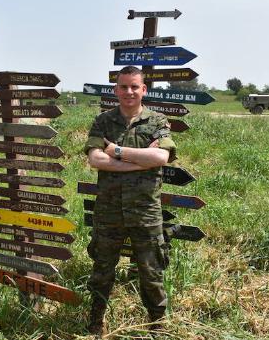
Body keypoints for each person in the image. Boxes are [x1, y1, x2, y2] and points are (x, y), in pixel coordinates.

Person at [83, 65, 177, 335]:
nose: (129, 91)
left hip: (145, 212)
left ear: (143, 89)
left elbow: (161, 158)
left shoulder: (157, 121)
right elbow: (95, 159)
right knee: (102, 272)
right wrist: (139, 161)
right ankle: (95, 323)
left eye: (135, 86)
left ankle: (157, 326)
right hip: (108, 212)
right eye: (123, 86)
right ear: (116, 90)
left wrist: (118, 152)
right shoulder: (103, 121)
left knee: (151, 273)